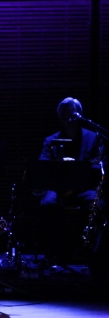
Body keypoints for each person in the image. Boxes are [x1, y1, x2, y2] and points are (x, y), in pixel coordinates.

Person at [38, 97, 103, 264]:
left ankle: (89, 250)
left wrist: (78, 168)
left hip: (83, 186)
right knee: (47, 204)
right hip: (58, 187)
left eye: (71, 116)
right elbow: (43, 164)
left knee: (96, 205)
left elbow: (98, 164)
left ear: (79, 115)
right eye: (63, 117)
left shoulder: (93, 137)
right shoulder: (51, 140)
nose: (67, 120)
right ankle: (54, 251)